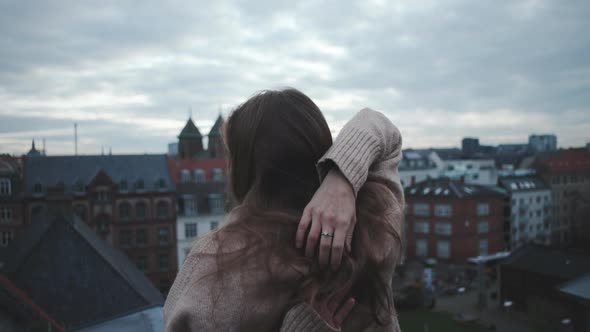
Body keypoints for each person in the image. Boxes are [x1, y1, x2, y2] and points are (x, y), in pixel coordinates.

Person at [164, 88, 404, 331]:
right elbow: (380, 127)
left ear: (244, 167)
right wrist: (341, 179)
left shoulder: (214, 267)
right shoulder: (373, 228)